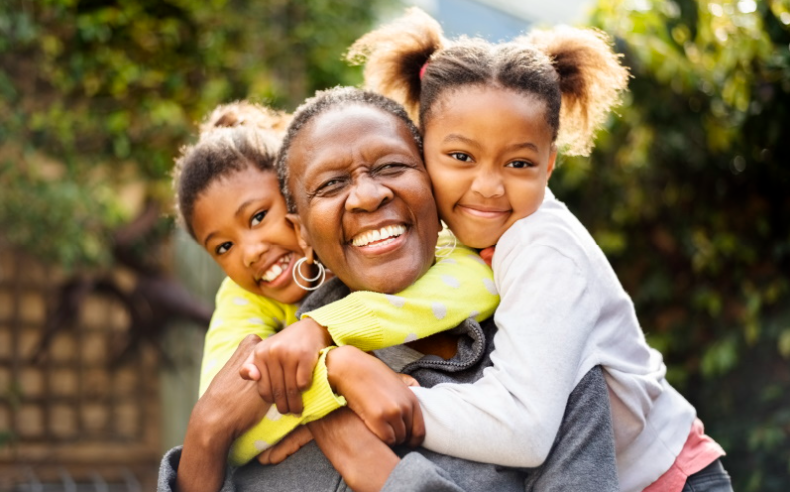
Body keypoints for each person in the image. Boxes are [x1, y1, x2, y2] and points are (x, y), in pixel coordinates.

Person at [345, 7, 732, 492]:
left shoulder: (542, 249)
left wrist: (403, 402)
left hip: (669, 481)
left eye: (519, 162)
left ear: (548, 166)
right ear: (421, 150)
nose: (487, 186)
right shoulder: (451, 236)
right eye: (461, 157)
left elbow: (524, 430)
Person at [159, 86, 619, 492]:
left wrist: (378, 471)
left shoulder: (546, 365)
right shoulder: (275, 370)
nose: (367, 195)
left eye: (393, 166)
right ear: (301, 232)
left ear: (435, 185)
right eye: (331, 184)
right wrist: (207, 433)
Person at [171, 102, 498, 466]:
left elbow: (480, 281)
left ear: (297, 197)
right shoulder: (242, 296)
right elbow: (224, 410)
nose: (249, 252)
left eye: (260, 216)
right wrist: (334, 383)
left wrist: (325, 331)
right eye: (223, 247)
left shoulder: (414, 239)